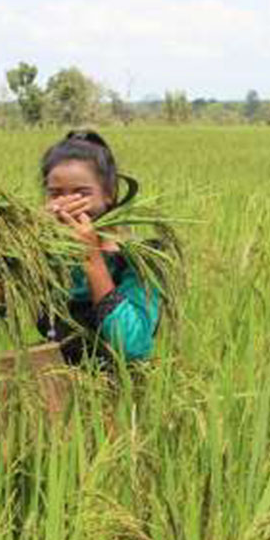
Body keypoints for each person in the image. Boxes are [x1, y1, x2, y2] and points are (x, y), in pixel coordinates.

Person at [36, 130, 161, 366]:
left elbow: (132, 346)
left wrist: (91, 257)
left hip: (120, 383)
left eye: (81, 194)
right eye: (55, 195)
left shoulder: (140, 260)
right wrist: (27, 240)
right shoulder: (44, 256)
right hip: (51, 377)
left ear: (109, 194)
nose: (66, 205)